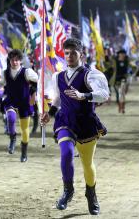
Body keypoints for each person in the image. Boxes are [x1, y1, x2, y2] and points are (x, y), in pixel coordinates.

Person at [40, 38, 109, 215]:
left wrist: (83, 95)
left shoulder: (91, 74)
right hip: (65, 120)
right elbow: (56, 99)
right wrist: (49, 113)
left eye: (73, 53)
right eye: (67, 53)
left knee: (87, 165)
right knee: (67, 152)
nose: (69, 56)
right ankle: (68, 190)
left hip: (86, 122)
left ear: (81, 54)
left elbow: (103, 94)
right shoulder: (58, 76)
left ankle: (91, 194)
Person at [1, 49, 38, 162]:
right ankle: (12, 138)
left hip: (24, 102)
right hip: (11, 100)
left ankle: (24, 153)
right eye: (12, 60)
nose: (14, 62)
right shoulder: (5, 72)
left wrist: (33, 94)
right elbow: (2, 83)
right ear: (9, 61)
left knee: (24, 129)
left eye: (17, 60)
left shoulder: (27, 72)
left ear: (20, 61)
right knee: (11, 119)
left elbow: (37, 82)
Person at [111, 49, 131, 114]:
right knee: (119, 94)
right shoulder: (115, 61)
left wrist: (130, 73)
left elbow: (134, 67)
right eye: (121, 53)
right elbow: (108, 66)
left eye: (123, 54)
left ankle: (122, 108)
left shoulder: (127, 61)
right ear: (118, 54)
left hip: (124, 79)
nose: (122, 55)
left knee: (122, 94)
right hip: (116, 80)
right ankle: (120, 106)